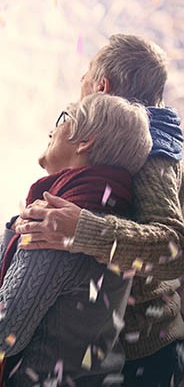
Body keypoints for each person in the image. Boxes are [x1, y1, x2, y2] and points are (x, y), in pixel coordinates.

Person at [15, 34, 184, 386]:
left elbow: (174, 246)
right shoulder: (118, 146)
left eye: (84, 80)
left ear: (102, 87)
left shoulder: (154, 155)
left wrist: (82, 229)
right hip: (105, 348)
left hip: (144, 357)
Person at [0, 92, 152, 386]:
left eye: (63, 118)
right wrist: (11, 229)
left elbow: (1, 333)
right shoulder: (115, 218)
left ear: (85, 142)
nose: (51, 130)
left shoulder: (53, 225)